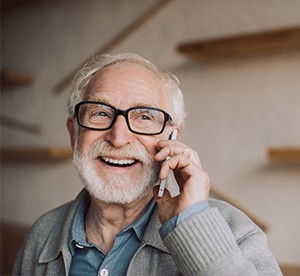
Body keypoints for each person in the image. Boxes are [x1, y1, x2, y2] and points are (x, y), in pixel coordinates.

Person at [13, 53, 282, 275]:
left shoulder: (235, 230)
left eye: (144, 117)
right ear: (74, 134)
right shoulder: (42, 234)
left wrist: (193, 225)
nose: (118, 138)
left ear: (172, 138)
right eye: (100, 113)